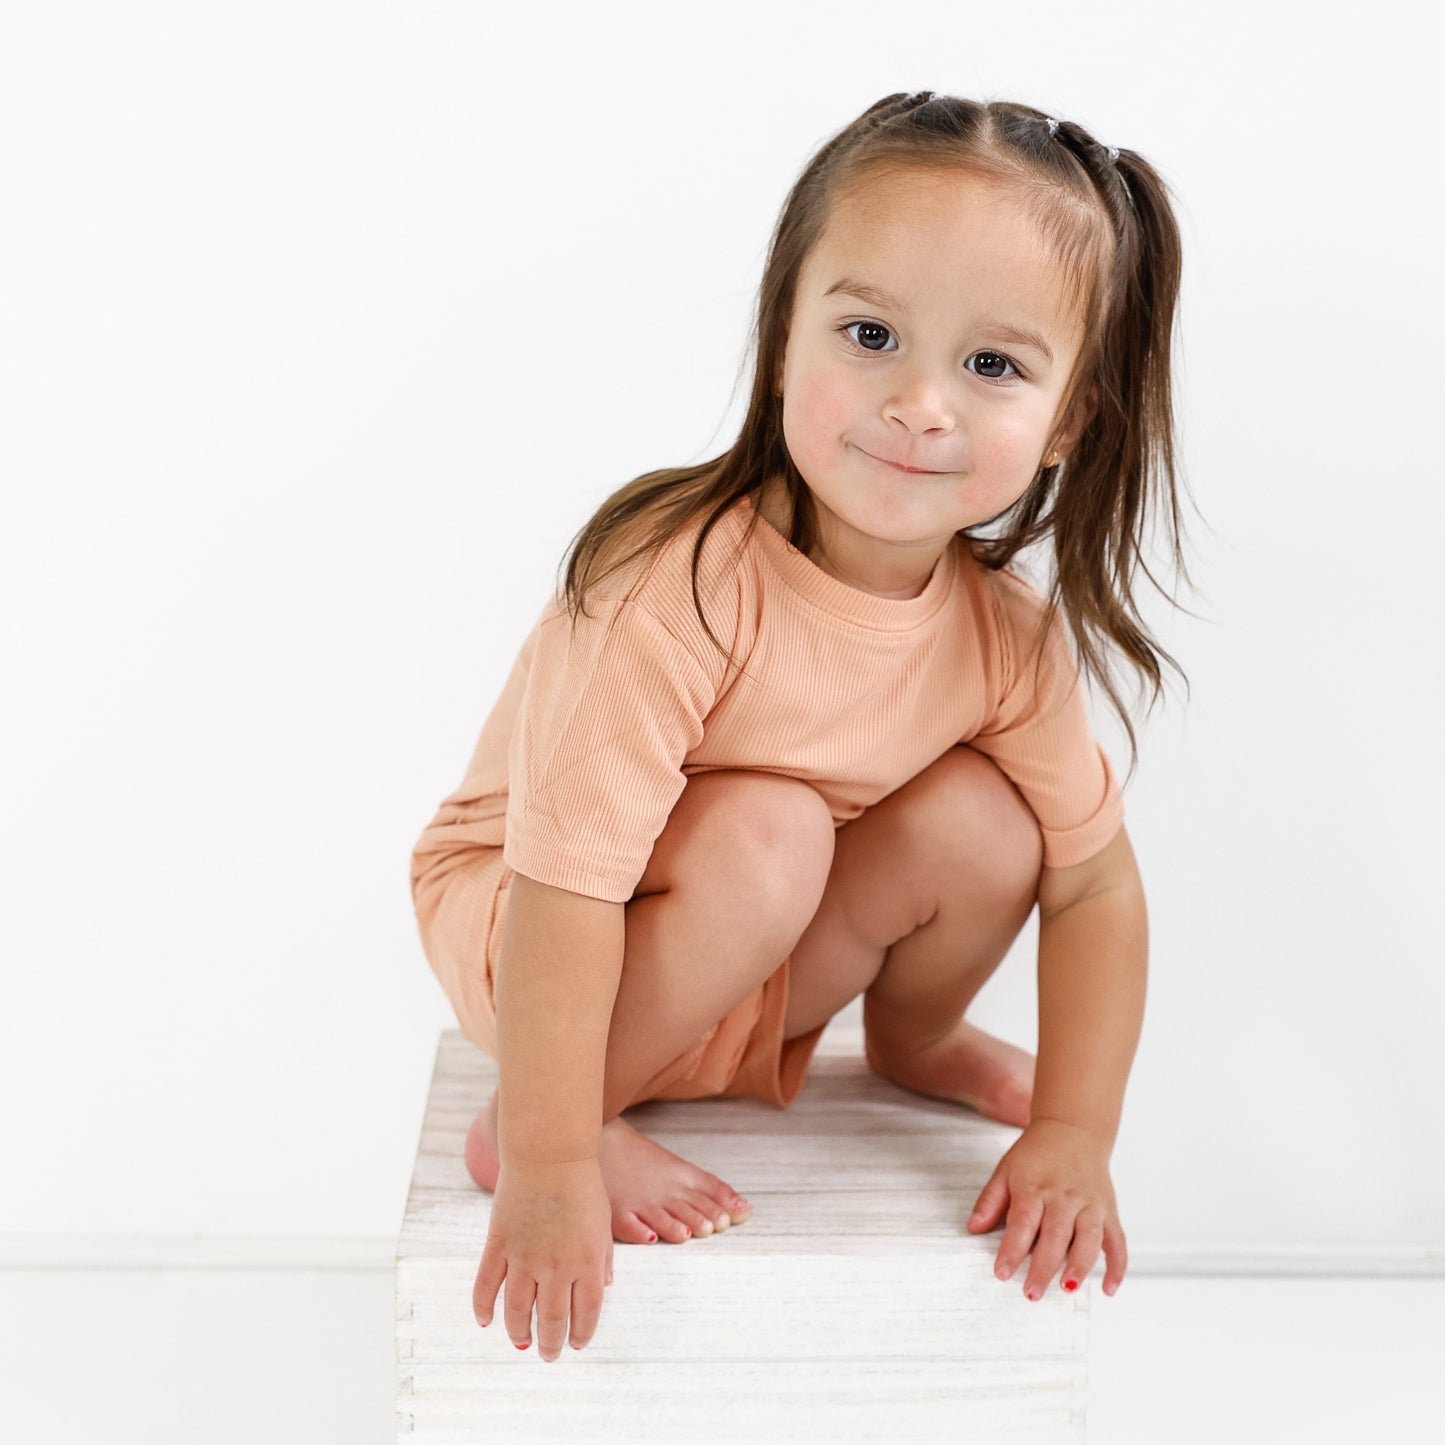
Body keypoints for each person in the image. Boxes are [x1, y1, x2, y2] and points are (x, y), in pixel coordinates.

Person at [408, 91, 1194, 1365]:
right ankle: (559, 1105)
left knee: (989, 824)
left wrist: (1074, 1128)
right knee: (768, 829)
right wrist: (554, 1156)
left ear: (1068, 423)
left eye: (990, 365)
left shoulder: (1003, 637)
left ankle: (912, 1035)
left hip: (753, 945)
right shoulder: (678, 586)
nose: (919, 403)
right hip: (531, 917)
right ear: (784, 343)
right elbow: (565, 882)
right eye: (871, 333)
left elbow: (1094, 879)